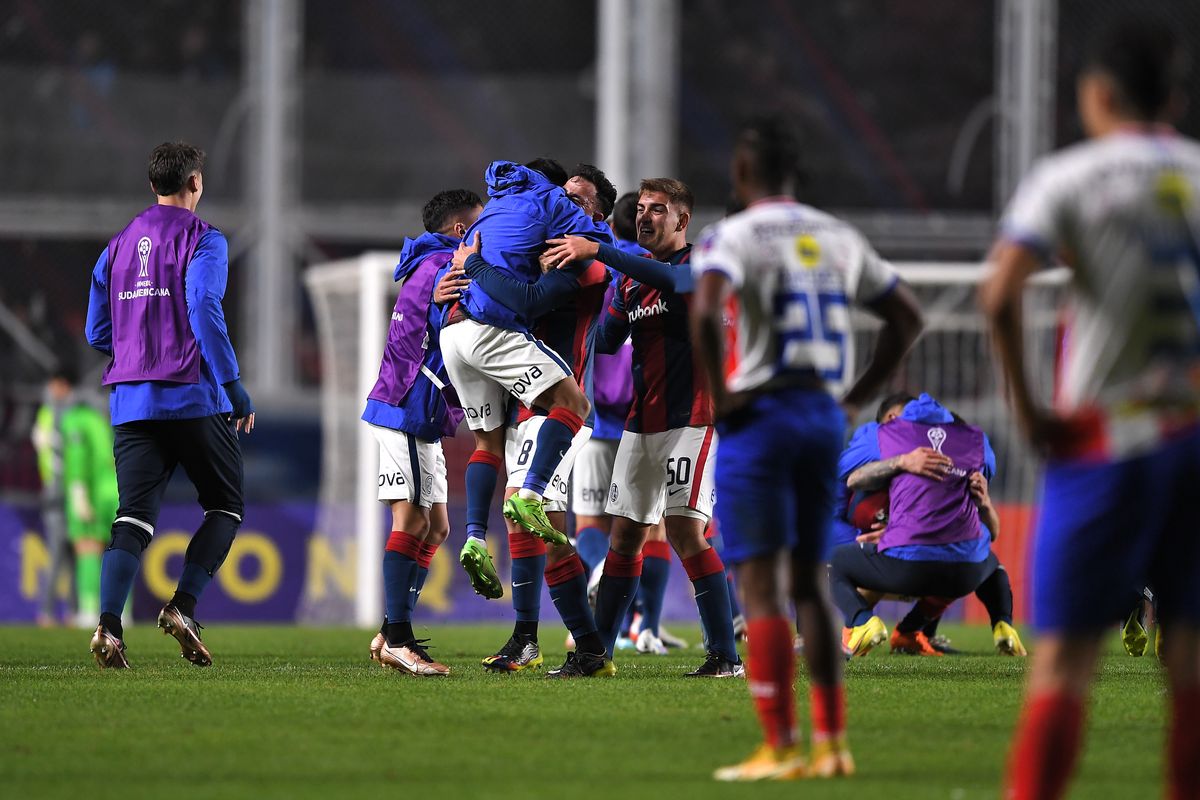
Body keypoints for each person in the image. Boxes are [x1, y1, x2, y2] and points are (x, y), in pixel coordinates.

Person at [980, 15, 1200, 799]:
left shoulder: (1071, 176)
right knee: (1190, 666)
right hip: (1192, 437)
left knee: (1066, 662)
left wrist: (1029, 410)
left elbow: (999, 292)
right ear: (1172, 98)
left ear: (1097, 95)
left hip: (1104, 441)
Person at [689, 115, 923, 780]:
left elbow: (704, 310)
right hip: (822, 415)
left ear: (741, 171)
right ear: (796, 174)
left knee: (760, 586)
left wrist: (723, 394)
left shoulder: (733, 235)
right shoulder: (838, 235)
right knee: (810, 585)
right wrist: (855, 398)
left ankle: (781, 745)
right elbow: (907, 316)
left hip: (762, 413)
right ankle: (833, 743)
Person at [544, 178, 742, 678]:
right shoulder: (630, 282)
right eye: (642, 209)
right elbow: (608, 340)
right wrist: (585, 290)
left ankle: (724, 655)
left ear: (682, 220)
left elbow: (675, 284)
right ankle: (597, 653)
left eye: (658, 209)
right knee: (625, 537)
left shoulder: (700, 267)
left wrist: (601, 252)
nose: (645, 217)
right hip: (641, 424)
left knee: (684, 530)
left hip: (693, 420)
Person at [84, 141, 253, 669]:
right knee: (225, 505)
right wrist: (233, 384)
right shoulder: (205, 239)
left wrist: (138, 349)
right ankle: (182, 606)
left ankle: (109, 627)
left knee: (132, 517)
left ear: (152, 184)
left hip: (131, 402)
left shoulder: (116, 246)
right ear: (195, 182)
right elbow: (202, 304)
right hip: (192, 397)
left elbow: (97, 331)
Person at [447, 164, 618, 674]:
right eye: (563, 197)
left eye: (580, 202)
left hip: (558, 409)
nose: (567, 207)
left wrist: (476, 267)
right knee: (547, 532)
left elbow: (528, 301)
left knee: (527, 516)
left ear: (597, 219)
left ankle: (533, 639)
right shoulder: (533, 252)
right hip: (525, 404)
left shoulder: (586, 265)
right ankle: (586, 649)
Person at [363, 189, 481, 677]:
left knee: (437, 527)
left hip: (420, 415)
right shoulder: (442, 267)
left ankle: (391, 629)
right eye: (479, 227)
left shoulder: (429, 263)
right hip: (407, 410)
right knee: (411, 522)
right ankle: (399, 638)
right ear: (460, 230)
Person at [830, 393, 1023, 659]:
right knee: (986, 561)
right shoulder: (975, 442)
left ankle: (862, 623)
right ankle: (1002, 625)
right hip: (959, 572)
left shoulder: (885, 437)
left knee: (837, 563)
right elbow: (992, 533)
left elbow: (849, 477)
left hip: (903, 563)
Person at [32, 367, 119, 627]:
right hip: (110, 490)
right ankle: (113, 611)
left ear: (62, 385)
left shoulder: (71, 418)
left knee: (81, 550)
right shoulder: (101, 416)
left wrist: (79, 493)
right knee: (108, 552)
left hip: (79, 492)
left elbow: (73, 459)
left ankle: (81, 610)